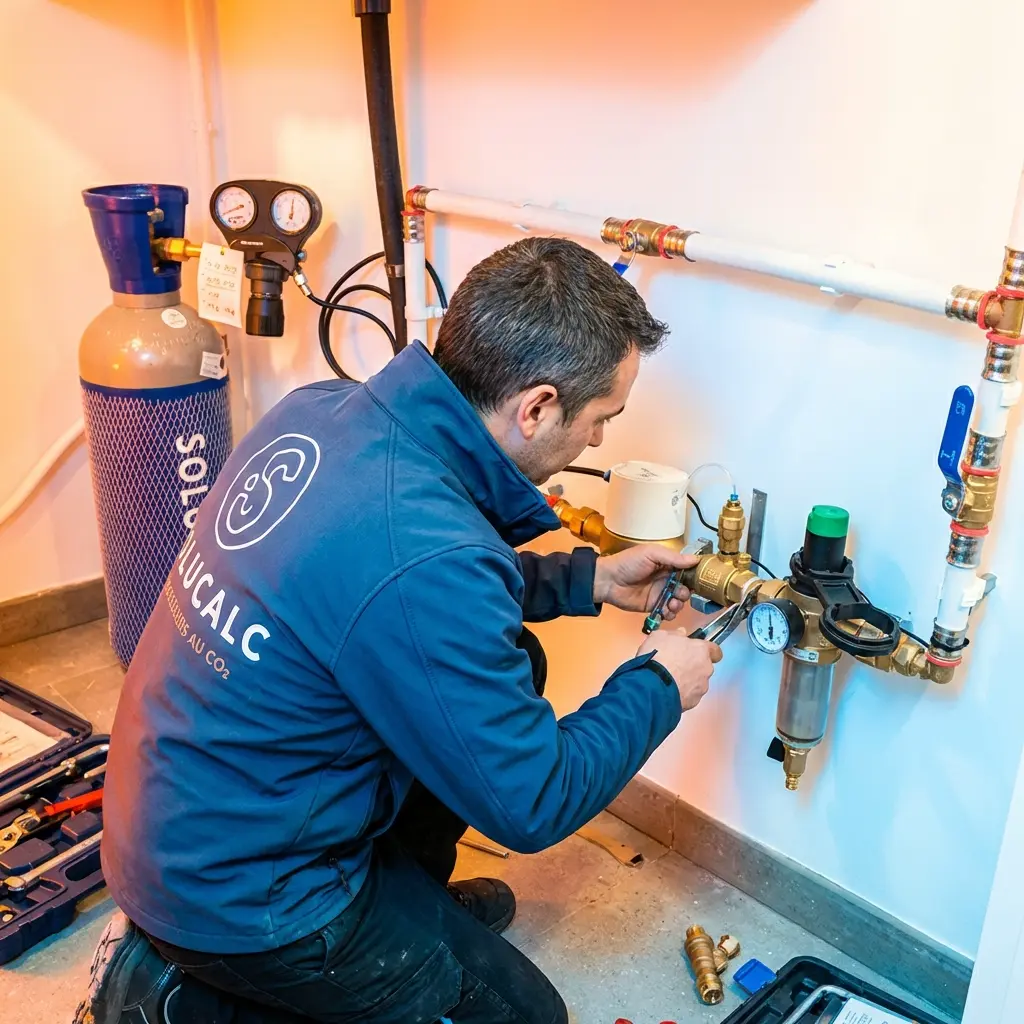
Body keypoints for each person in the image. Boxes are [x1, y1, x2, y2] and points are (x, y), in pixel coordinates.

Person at [76, 237, 722, 1024]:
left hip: (177, 818)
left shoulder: (323, 412)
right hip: (241, 895)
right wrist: (658, 687)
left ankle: (406, 902)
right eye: (599, 420)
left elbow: (395, 592)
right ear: (537, 407)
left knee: (514, 657)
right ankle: (177, 994)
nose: (597, 442)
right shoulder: (427, 554)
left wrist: (591, 580)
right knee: (526, 1016)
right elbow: (533, 801)